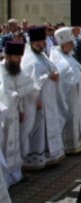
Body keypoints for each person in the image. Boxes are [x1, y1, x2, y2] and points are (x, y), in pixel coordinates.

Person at [20, 26, 66, 170]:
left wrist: (55, 73)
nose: (42, 44)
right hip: (37, 101)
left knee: (47, 128)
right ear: (33, 42)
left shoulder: (42, 55)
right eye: (39, 42)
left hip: (49, 101)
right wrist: (36, 100)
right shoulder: (29, 59)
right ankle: (33, 160)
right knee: (38, 131)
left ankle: (48, 156)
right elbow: (29, 83)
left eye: (43, 41)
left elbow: (51, 67)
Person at [50, 27, 81, 154]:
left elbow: (79, 71)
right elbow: (61, 75)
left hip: (79, 93)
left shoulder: (69, 56)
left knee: (80, 115)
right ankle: (70, 144)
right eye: (70, 44)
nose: (72, 46)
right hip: (68, 95)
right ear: (63, 44)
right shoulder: (56, 58)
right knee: (72, 116)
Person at [0, 41, 36, 187]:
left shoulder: (15, 69)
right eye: (17, 57)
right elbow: (5, 92)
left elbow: (26, 84)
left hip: (15, 111)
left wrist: (21, 109)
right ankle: (5, 179)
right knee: (6, 145)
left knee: (16, 145)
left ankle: (16, 175)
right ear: (8, 56)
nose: (19, 60)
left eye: (20, 57)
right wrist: (17, 95)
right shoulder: (1, 70)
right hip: (4, 115)